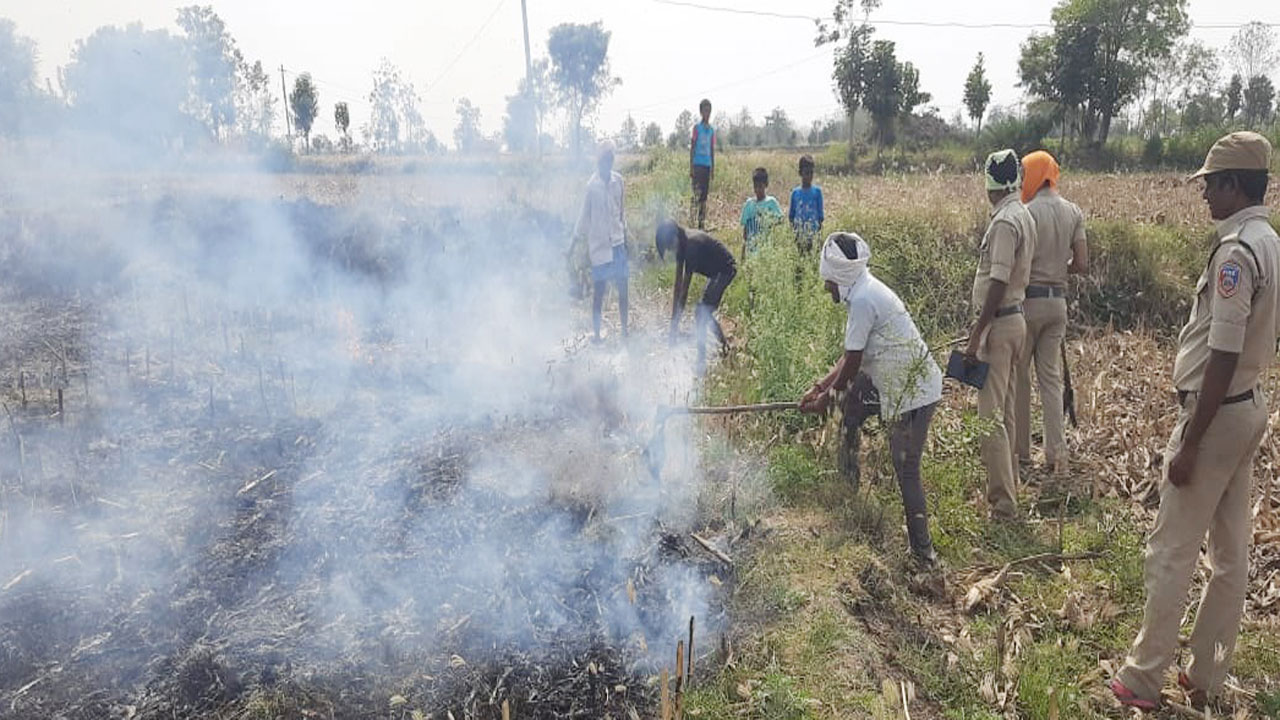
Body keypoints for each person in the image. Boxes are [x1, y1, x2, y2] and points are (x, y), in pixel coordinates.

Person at [1110, 131, 1279, 712]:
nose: (1204, 195)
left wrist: (1190, 441)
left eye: (1210, 185)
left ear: (1235, 185)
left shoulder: (1235, 253)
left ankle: (1142, 678)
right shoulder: (1269, 241)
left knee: (1172, 550)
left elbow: (1223, 353)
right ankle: (1206, 674)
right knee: (1232, 556)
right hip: (1249, 408)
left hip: (1218, 412)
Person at [799, 232, 944, 565]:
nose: (826, 288)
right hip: (891, 380)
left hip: (914, 391)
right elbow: (851, 355)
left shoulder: (864, 298)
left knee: (906, 468)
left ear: (842, 277)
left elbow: (851, 363)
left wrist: (826, 400)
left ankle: (924, 555)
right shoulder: (863, 290)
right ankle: (848, 493)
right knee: (851, 410)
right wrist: (821, 388)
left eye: (829, 281)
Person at [964, 149, 1035, 520]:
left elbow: (998, 280)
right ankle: (1011, 492)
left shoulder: (1006, 222)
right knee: (1005, 416)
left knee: (990, 419)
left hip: (1000, 323)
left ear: (990, 184)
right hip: (1013, 320)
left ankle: (1003, 506)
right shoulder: (1021, 212)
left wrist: (978, 333)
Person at [1014, 150, 1088, 476]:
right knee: (1051, 381)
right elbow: (1082, 264)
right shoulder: (1073, 212)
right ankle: (1056, 454)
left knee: (1020, 378)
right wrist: (1059, 270)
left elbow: (1018, 264)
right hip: (1058, 303)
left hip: (1028, 303)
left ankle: (1021, 455)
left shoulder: (1026, 213)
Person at [656, 219, 736, 372]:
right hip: (715, 273)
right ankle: (724, 346)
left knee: (701, 313)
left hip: (725, 270)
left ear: (675, 237)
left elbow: (684, 292)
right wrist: (673, 325)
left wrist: (674, 328)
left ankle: (703, 358)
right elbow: (677, 286)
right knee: (702, 312)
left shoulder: (692, 245)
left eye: (670, 246)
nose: (671, 250)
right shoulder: (682, 244)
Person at [572, 140, 628, 342]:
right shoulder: (591, 186)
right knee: (599, 291)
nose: (609, 163)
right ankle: (596, 334)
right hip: (600, 248)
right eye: (605, 159)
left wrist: (625, 239)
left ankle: (624, 331)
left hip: (618, 244)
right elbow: (583, 217)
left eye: (611, 159)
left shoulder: (619, 181)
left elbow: (622, 213)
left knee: (623, 289)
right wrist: (573, 245)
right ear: (599, 161)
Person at [740, 167, 784, 259]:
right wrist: (743, 251)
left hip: (766, 249)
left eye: (760, 186)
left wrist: (768, 222)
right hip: (751, 250)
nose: (757, 190)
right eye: (755, 186)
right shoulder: (749, 205)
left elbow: (781, 219)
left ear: (766, 185)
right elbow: (745, 231)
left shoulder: (771, 202)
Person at [789, 155, 824, 253]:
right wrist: (793, 236)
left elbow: (820, 218)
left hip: (813, 236)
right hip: (799, 237)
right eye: (806, 173)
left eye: (811, 173)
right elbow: (791, 217)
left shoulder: (817, 192)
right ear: (800, 173)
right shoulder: (795, 193)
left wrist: (819, 238)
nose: (809, 176)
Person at [690, 99, 716, 229]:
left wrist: (712, 168)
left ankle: (701, 224)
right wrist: (691, 167)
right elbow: (692, 148)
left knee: (704, 198)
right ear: (701, 112)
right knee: (696, 195)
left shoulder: (711, 130)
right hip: (697, 165)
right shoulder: (697, 128)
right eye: (705, 110)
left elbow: (712, 150)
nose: (707, 113)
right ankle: (691, 222)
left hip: (706, 166)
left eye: (709, 110)